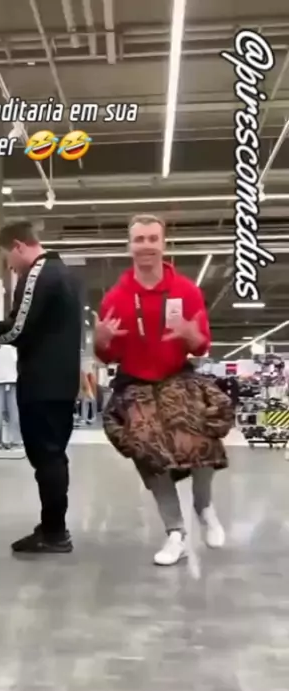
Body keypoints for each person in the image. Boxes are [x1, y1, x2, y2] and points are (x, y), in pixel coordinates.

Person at [94, 214, 234, 566]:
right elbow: (106, 355)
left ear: (163, 243)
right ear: (130, 245)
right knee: (145, 448)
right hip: (134, 380)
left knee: (203, 429)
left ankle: (204, 507)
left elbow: (201, 346)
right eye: (139, 239)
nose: (146, 245)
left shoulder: (186, 291)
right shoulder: (116, 297)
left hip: (177, 374)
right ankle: (176, 533)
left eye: (152, 239)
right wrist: (101, 341)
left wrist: (191, 335)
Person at [0, 220, 82, 554]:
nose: (9, 265)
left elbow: (17, 329)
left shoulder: (39, 273)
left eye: (8, 256)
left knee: (46, 457)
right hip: (60, 380)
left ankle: (55, 532)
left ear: (19, 246)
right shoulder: (62, 273)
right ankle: (52, 526)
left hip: (43, 380)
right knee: (53, 455)